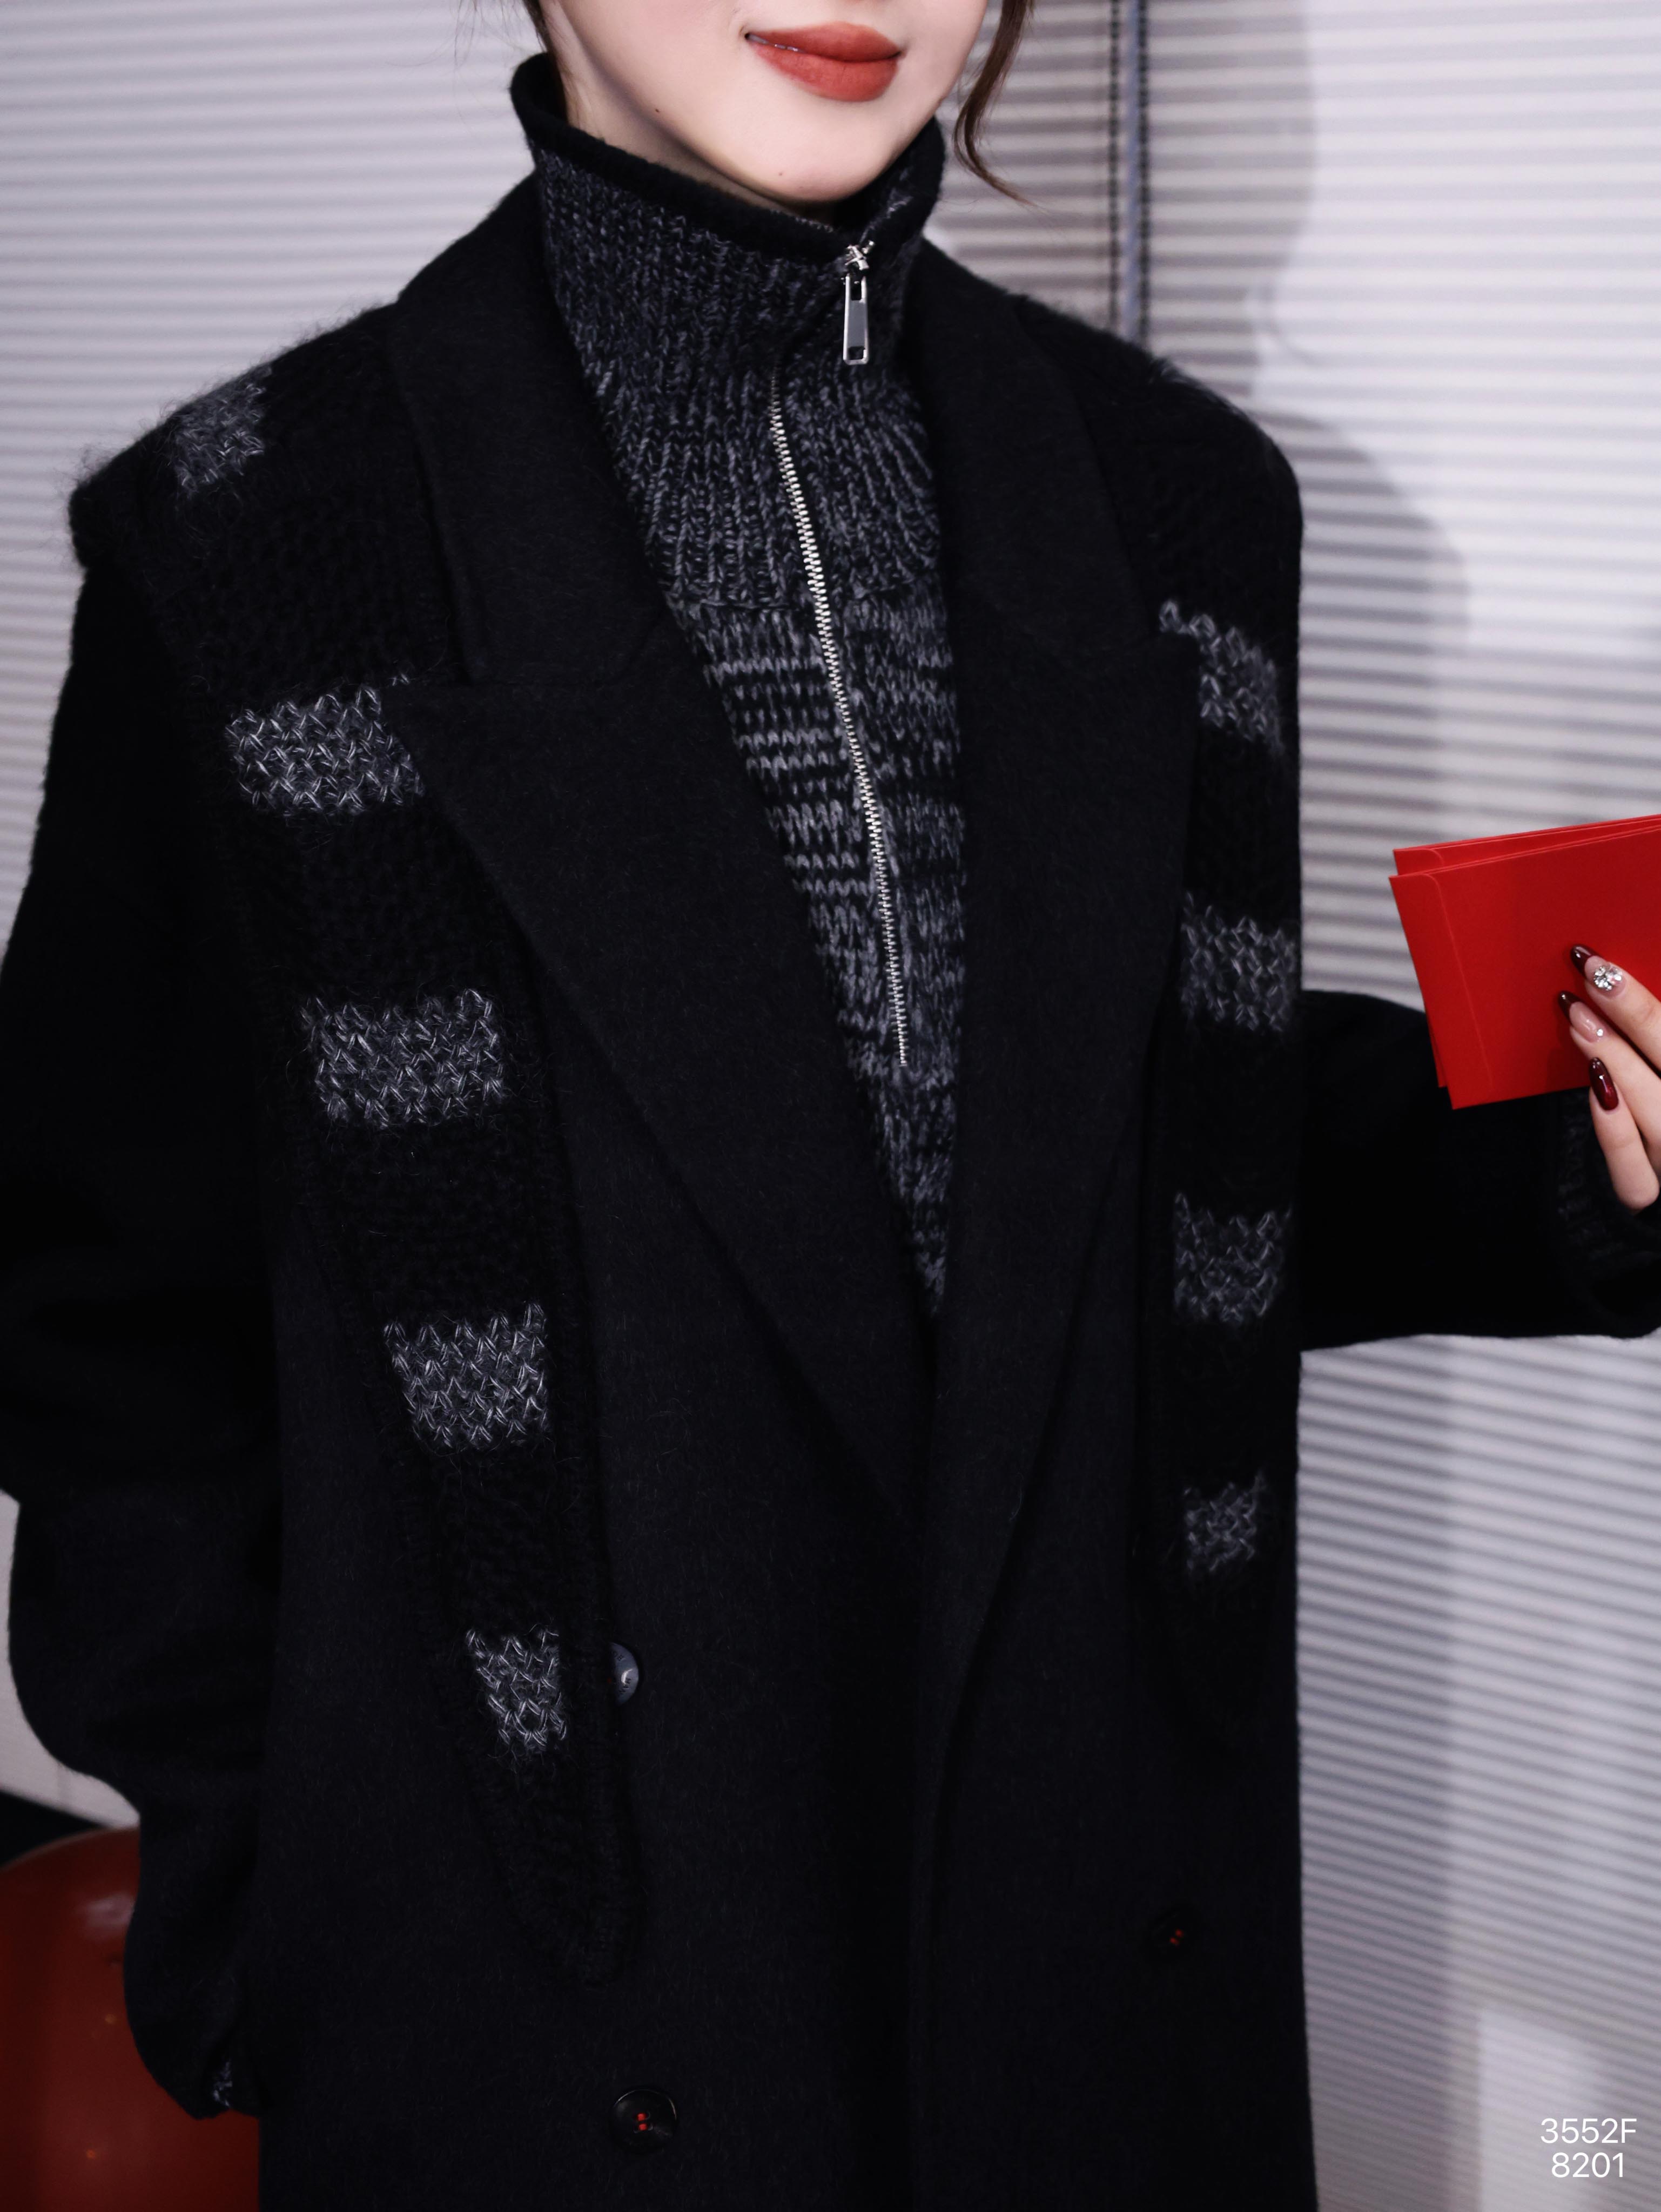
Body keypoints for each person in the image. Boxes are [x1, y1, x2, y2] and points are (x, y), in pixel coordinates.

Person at [3, 4, 1659, 2206]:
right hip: (543, 2044)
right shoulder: (253, 552)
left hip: (1099, 1999)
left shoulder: (1181, 511)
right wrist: (260, 1927)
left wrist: (1576, 1151)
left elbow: (1167, 1152)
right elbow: (104, 1331)